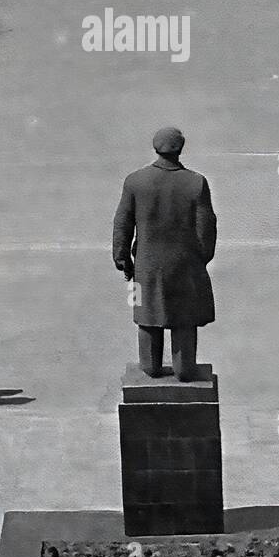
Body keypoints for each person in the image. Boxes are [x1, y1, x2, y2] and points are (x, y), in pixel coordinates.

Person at [112, 126, 217, 382]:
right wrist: (198, 259)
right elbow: (207, 229)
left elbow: (122, 224)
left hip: (146, 267)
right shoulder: (196, 182)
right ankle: (184, 369)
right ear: (180, 149)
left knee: (147, 319)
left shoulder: (135, 181)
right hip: (185, 266)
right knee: (184, 321)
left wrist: (123, 259)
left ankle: (151, 366)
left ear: (155, 148)